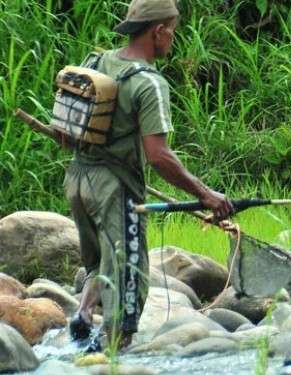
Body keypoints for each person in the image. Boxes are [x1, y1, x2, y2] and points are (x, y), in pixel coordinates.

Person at [65, 0, 234, 351]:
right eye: (172, 31)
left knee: (100, 264)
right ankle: (110, 355)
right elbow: (159, 156)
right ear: (158, 31)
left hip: (78, 181)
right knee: (127, 284)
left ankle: (82, 314)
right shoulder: (149, 83)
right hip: (115, 192)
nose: (173, 38)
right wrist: (206, 194)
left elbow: (70, 131)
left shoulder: (95, 62)